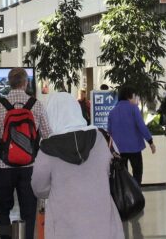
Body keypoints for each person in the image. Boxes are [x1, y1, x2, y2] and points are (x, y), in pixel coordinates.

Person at [31, 92, 124, 239]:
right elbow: (113, 165)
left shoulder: (47, 148)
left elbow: (39, 188)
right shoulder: (100, 137)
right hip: (102, 219)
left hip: (64, 225)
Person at [0, 67, 51, 239]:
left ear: (9, 84)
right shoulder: (36, 105)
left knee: (1, 210)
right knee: (29, 211)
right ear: (26, 83)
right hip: (30, 168)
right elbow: (48, 137)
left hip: (3, 167)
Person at [106, 84, 156, 185]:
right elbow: (141, 126)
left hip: (119, 149)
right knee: (137, 172)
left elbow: (109, 132)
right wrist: (150, 141)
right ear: (129, 96)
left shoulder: (112, 112)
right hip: (134, 148)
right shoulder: (134, 108)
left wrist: (111, 149)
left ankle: (126, 194)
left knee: (123, 174)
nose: (135, 98)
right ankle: (136, 192)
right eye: (134, 96)